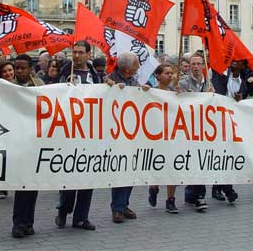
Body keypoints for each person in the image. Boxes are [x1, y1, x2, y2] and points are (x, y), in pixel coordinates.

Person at [54, 41, 99, 230]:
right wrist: (64, 86)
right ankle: (63, 210)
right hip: (69, 132)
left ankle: (81, 217)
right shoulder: (65, 71)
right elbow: (53, 94)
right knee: (69, 177)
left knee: (87, 178)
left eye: (81, 52)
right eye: (75, 52)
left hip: (89, 133)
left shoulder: (95, 75)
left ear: (89, 55)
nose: (77, 55)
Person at [105, 52, 150, 223]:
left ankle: (124, 204)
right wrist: (110, 86)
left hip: (132, 130)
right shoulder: (110, 78)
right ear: (127, 67)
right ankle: (117, 208)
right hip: (116, 132)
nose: (138, 67)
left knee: (130, 169)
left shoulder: (133, 81)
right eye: (136, 64)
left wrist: (144, 90)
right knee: (120, 170)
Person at [11, 54, 44, 238]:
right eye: (17, 68)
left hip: (35, 140)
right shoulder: (9, 85)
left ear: (30, 68)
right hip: (18, 141)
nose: (19, 71)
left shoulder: (39, 84)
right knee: (21, 184)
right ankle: (18, 223)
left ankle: (29, 222)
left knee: (32, 184)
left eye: (23, 68)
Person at [210, 59, 247, 203]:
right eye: (233, 61)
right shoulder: (221, 76)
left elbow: (243, 97)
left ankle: (220, 188)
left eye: (238, 62)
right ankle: (227, 189)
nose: (234, 63)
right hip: (216, 121)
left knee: (226, 155)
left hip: (232, 122)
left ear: (243, 66)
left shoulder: (242, 81)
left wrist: (240, 98)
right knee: (220, 154)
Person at [179, 54, 212, 212]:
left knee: (201, 161)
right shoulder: (183, 83)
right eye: (193, 64)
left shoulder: (209, 83)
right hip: (188, 128)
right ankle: (194, 194)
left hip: (205, 128)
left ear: (203, 66)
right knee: (193, 161)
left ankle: (198, 195)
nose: (196, 66)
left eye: (199, 64)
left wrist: (213, 95)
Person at [148, 64, 179, 213]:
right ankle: (153, 188)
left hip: (172, 134)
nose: (170, 76)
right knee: (158, 164)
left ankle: (170, 199)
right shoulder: (151, 92)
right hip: (155, 135)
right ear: (158, 76)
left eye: (171, 73)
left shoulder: (174, 93)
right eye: (166, 73)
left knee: (172, 167)